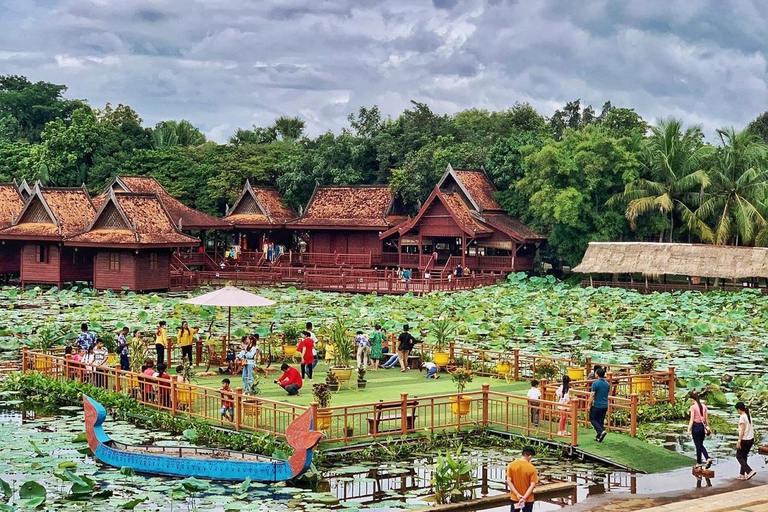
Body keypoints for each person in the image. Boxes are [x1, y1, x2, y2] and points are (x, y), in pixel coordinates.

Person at [506, 446, 538, 512]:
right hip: (528, 498)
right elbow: (532, 485)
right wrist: (524, 497)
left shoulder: (512, 465)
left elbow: (509, 481)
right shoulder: (532, 468)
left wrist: (517, 494)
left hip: (515, 497)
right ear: (529, 456)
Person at [686, 391, 712, 469]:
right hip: (702, 427)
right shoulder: (704, 406)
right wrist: (708, 427)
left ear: (692, 399)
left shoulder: (693, 407)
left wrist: (688, 430)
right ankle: (705, 459)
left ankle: (700, 462)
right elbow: (706, 418)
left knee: (698, 445)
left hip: (696, 427)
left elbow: (692, 419)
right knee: (700, 444)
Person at [735, 401, 756, 480]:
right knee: (744, 456)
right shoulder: (748, 415)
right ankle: (742, 474)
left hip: (745, 439)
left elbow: (742, 430)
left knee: (739, 456)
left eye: (737, 410)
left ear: (739, 409)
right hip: (751, 438)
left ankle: (749, 471)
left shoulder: (742, 417)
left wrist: (739, 441)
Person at [589, 367, 609, 442]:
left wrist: (589, 404)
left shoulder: (595, 383)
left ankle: (601, 431)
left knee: (592, 419)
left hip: (597, 405)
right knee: (600, 420)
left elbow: (592, 395)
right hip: (605, 405)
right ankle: (599, 436)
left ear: (597, 374)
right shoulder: (607, 384)